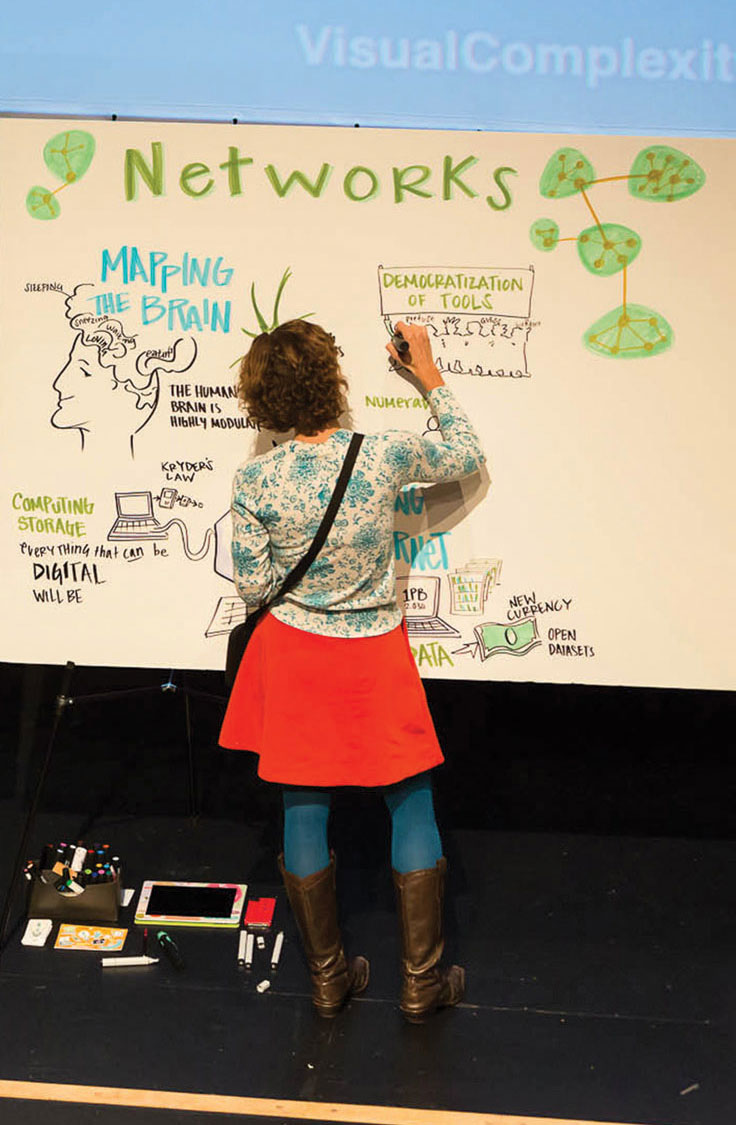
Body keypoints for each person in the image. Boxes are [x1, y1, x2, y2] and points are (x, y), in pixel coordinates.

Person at [218, 320, 484, 1021]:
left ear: (263, 397)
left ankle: (330, 980)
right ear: (333, 382)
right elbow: (466, 453)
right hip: (374, 650)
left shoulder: (254, 479)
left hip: (298, 653)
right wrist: (426, 372)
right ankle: (423, 984)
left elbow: (252, 587)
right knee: (411, 802)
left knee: (302, 809)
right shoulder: (383, 453)